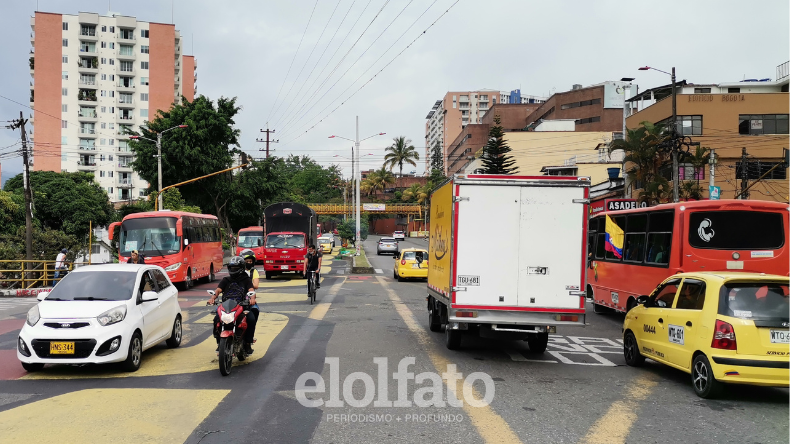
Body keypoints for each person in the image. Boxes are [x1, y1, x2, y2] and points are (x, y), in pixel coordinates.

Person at [208, 256, 257, 354]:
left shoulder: (246, 280)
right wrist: (213, 298)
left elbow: (251, 290)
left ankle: (248, 343)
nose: (233, 270)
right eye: (232, 268)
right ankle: (219, 342)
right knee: (216, 319)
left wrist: (252, 299)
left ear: (241, 268)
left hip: (242, 306)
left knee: (251, 319)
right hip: (226, 306)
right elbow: (218, 290)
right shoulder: (226, 279)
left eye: (235, 268)